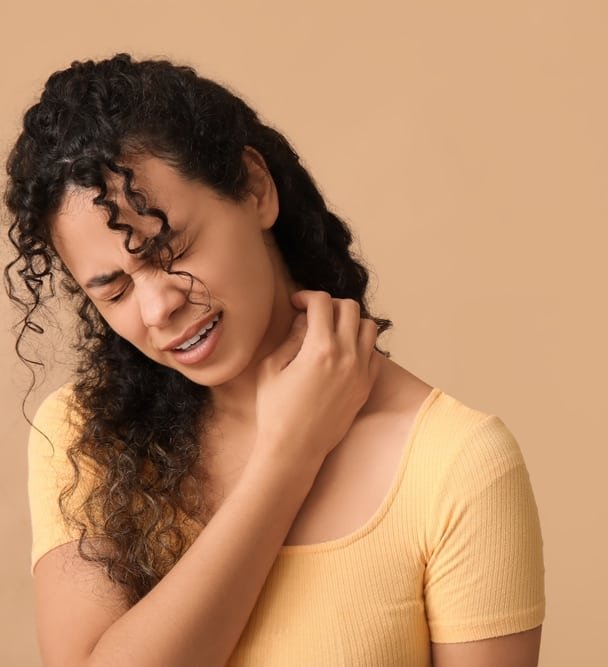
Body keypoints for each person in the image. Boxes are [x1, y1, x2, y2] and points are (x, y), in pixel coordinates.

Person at [5, 53, 545, 666]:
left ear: (255, 188)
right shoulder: (82, 434)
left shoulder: (457, 465)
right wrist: (288, 458)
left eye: (168, 248)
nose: (157, 309)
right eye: (115, 290)